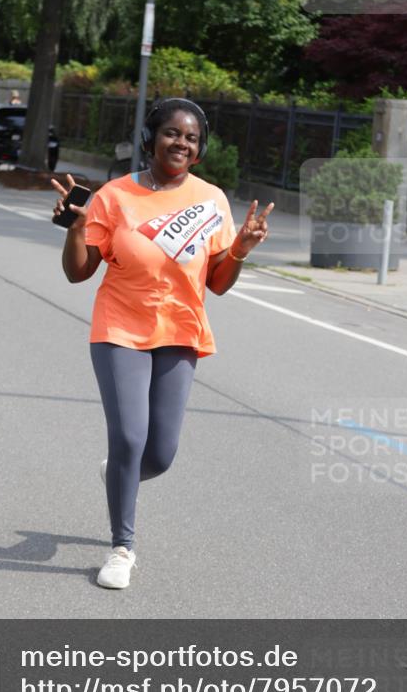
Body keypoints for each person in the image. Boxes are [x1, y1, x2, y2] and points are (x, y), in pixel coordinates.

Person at [51, 98, 273, 589]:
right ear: (150, 139)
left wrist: (240, 249)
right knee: (130, 437)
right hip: (119, 329)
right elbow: (78, 273)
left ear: (200, 149)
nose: (182, 143)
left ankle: (119, 474)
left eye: (192, 138)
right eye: (172, 133)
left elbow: (217, 282)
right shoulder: (114, 196)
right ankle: (121, 547)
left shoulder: (211, 200)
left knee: (160, 455)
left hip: (180, 332)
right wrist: (77, 227)